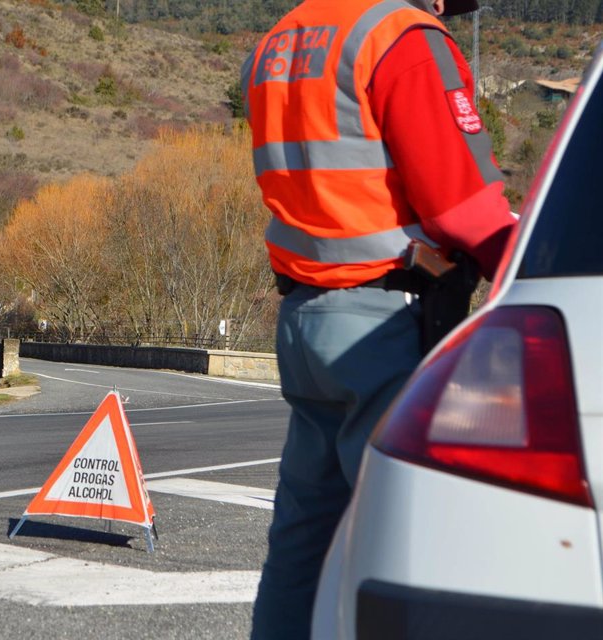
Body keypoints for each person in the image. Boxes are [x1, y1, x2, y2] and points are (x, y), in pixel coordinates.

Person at [241, 0, 517, 638]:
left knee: (302, 547)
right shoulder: (403, 37)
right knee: (405, 544)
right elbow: (462, 208)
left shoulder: (282, 39)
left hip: (306, 317)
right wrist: (533, 261)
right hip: (386, 323)